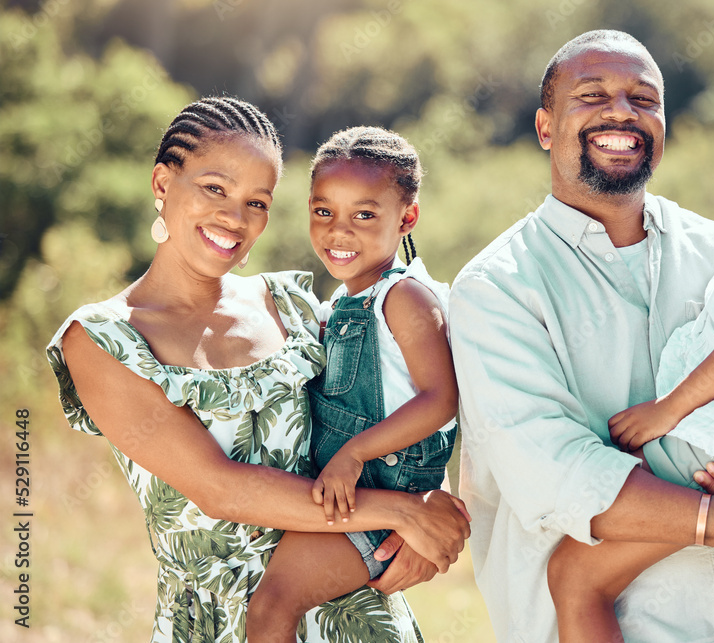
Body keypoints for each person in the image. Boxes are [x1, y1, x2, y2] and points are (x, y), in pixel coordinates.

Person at [449, 30, 714, 643]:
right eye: (591, 96)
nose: (621, 111)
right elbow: (554, 472)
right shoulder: (497, 287)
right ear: (545, 128)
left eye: (643, 99)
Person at [45, 97, 470, 643]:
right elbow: (220, 490)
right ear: (161, 183)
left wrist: (428, 498)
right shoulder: (104, 340)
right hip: (222, 622)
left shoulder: (289, 305)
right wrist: (405, 512)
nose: (235, 218)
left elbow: (399, 388)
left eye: (258, 202)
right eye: (214, 189)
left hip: (355, 612)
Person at [246, 126, 458, 642]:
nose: (339, 231)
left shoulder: (404, 298)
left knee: (272, 607)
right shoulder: (341, 303)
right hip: (352, 494)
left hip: (382, 492)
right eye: (323, 211)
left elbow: (441, 399)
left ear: (406, 217)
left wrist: (355, 454)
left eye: (364, 215)